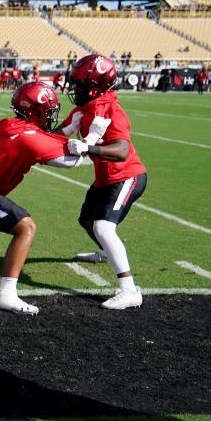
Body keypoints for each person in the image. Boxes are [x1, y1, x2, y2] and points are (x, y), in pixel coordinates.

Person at [0, 82, 88, 314]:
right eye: (47, 111)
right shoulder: (28, 137)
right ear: (33, 110)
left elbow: (44, 138)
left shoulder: (17, 126)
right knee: (25, 227)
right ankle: (6, 293)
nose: (50, 116)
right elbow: (70, 162)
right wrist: (91, 145)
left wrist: (69, 132)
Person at [59, 54, 147, 310]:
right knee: (87, 221)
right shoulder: (83, 109)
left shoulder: (112, 110)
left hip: (126, 175)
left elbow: (121, 150)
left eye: (80, 84)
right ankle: (107, 253)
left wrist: (88, 149)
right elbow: (58, 136)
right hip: (106, 178)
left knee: (103, 227)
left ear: (97, 85)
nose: (75, 88)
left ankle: (129, 290)